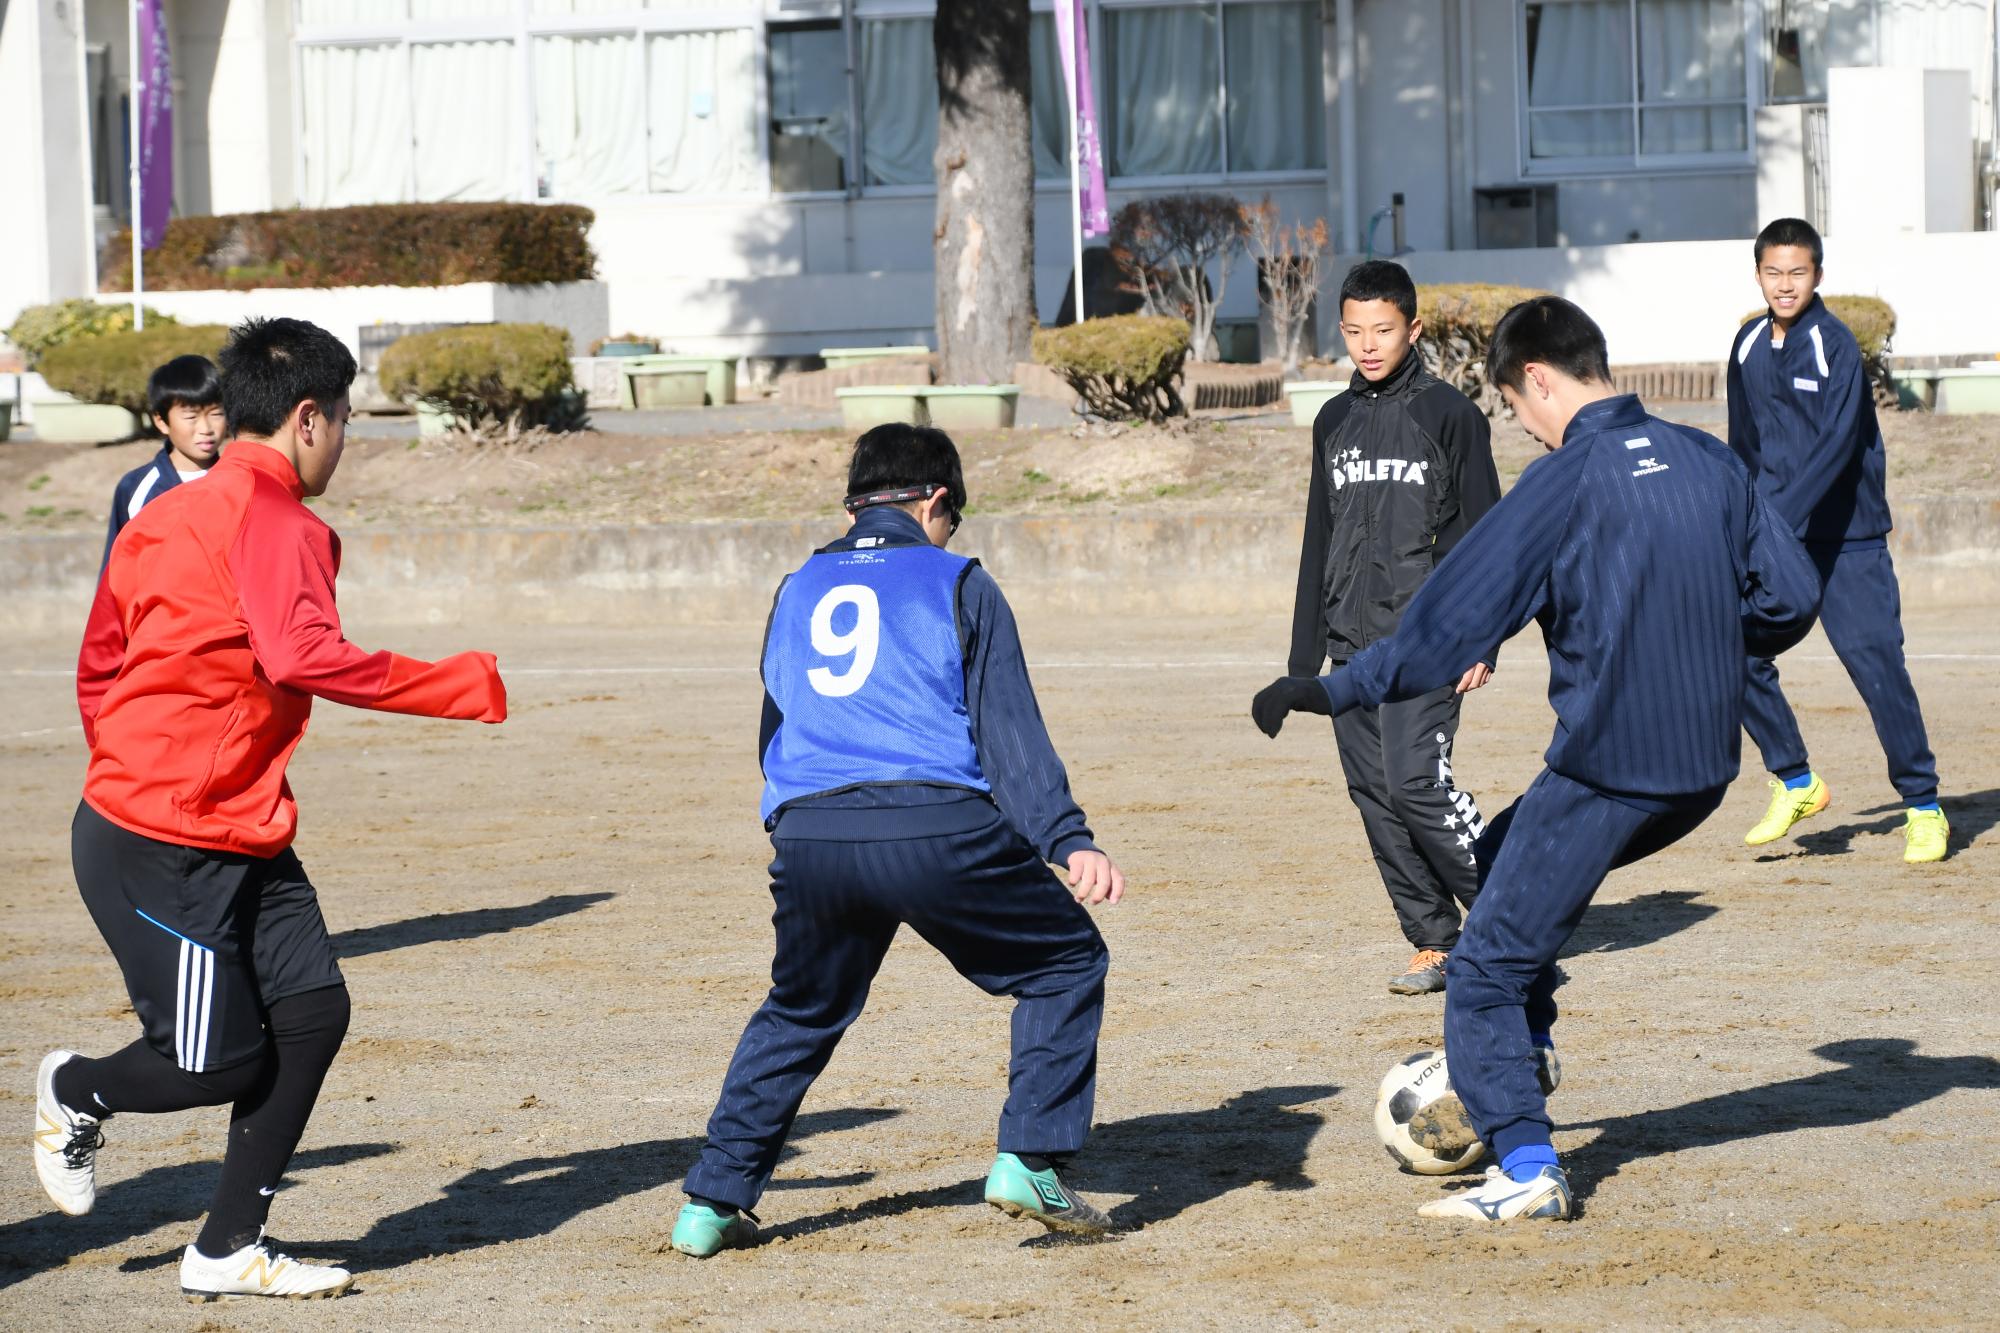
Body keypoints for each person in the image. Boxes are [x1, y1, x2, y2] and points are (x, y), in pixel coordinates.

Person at [1251, 297, 1820, 1222]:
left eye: (1516, 407)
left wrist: (1328, 689)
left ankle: (1524, 1163)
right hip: (1703, 773)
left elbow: (1445, 623)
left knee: (1481, 968)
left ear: (1539, 380)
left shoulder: (1564, 484)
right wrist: (1714, 639)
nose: (1521, 425)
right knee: (1500, 850)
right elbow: (1792, 596)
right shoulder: (1709, 458)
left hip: (1608, 769)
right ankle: (1533, 1044)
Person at [35, 317, 508, 1301]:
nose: (344, 441)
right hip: (165, 834)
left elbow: (98, 663)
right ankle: (75, 1086)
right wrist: (462, 683)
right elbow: (303, 658)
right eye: (344, 420)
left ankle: (226, 1245)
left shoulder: (159, 514)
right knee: (211, 1061)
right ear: (308, 417)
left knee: (313, 1012)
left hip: (232, 819)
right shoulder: (282, 521)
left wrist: (144, 754)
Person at [671, 423, 1125, 1257]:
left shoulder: (797, 583)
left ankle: (709, 1203)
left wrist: (790, 819)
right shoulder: (960, 581)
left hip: (814, 836)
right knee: (1065, 963)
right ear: (937, 502)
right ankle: (1030, 1157)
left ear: (855, 503)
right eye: (953, 518)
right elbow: (1008, 734)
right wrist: (1067, 838)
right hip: (937, 827)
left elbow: (777, 724)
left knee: (800, 1009)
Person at [1286, 259, 1502, 996]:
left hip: (1430, 642)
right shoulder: (1332, 421)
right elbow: (1319, 538)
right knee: (1374, 795)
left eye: (1384, 329)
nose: (1369, 344)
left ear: (1413, 329)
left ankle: (1512, 918)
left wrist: (1484, 637)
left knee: (1416, 785)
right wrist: (1300, 661)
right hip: (1349, 648)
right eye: (1354, 331)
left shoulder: (1451, 415)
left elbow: (1487, 535)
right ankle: (1435, 939)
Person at [1727, 217, 1948, 862]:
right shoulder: (1744, 343)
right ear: (1759, 275)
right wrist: (1740, 519)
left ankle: (1924, 806)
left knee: (1878, 669)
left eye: (1798, 272)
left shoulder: (1835, 344)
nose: (1785, 284)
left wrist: (1777, 523)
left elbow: (1836, 449)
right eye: (1774, 272)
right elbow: (1743, 441)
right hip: (1776, 536)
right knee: (1732, 645)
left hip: (1846, 541)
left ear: (1817, 275)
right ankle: (1795, 779)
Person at [104, 354, 226, 563]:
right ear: (161, 421)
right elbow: (115, 572)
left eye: (216, 414)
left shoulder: (240, 484)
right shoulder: (136, 489)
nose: (206, 428)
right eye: (191, 417)